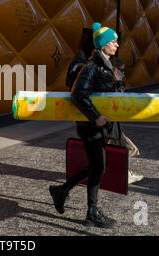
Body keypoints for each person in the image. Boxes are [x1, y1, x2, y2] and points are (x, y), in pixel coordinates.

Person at [49, 22, 121, 228]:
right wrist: (96, 117)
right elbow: (79, 94)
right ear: (102, 45)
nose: (117, 44)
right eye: (113, 41)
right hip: (90, 125)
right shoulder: (92, 67)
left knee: (97, 166)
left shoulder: (106, 66)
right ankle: (91, 212)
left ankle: (63, 191)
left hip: (97, 125)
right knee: (99, 166)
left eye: (116, 41)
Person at [106, 57, 143, 184]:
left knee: (129, 149)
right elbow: (118, 98)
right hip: (108, 126)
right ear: (114, 69)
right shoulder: (110, 82)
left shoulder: (113, 81)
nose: (124, 73)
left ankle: (123, 172)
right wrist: (119, 82)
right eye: (121, 70)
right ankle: (122, 173)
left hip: (112, 125)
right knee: (127, 149)